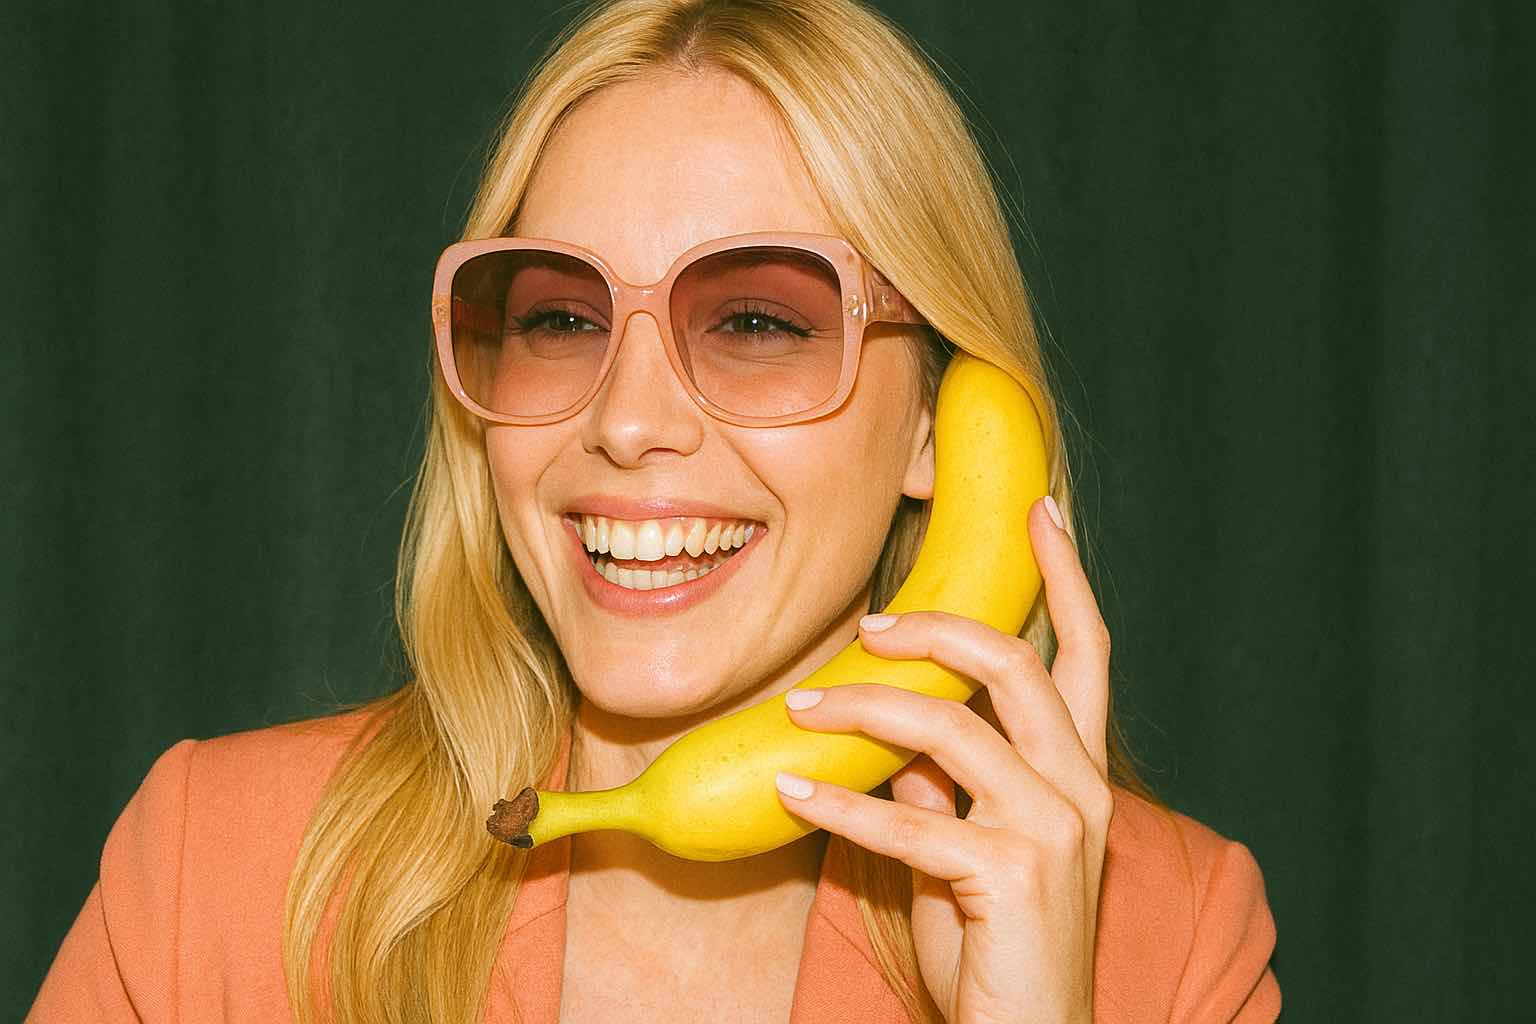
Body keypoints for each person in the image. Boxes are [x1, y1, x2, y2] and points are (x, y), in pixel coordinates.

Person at [28, 1, 1280, 1021]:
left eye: (755, 321)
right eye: (561, 319)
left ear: (939, 428)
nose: (627, 422)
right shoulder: (217, 876)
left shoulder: (1168, 946)